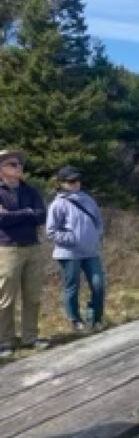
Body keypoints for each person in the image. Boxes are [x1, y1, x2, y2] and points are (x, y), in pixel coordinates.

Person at [46, 166, 104, 333]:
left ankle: (94, 319)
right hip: (69, 253)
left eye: (77, 180)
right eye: (71, 181)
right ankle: (75, 320)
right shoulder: (58, 204)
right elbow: (51, 231)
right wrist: (71, 239)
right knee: (72, 286)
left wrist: (96, 235)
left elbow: (98, 221)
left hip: (90, 251)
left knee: (98, 284)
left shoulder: (88, 199)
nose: (75, 184)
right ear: (62, 183)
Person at [0, 150, 44, 357]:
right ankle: (6, 341)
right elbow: (2, 220)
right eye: (12, 164)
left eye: (19, 164)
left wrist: (15, 215)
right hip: (7, 249)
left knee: (33, 296)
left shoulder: (30, 191)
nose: (19, 167)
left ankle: (30, 338)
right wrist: (28, 214)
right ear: (1, 168)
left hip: (33, 248)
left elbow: (41, 215)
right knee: (6, 298)